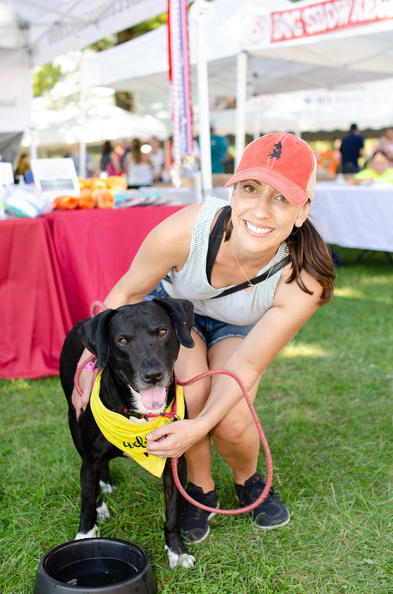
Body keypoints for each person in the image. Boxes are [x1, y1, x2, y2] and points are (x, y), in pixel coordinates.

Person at [73, 133, 335, 544]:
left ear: (303, 211)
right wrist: (88, 363)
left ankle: (248, 480)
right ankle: (199, 487)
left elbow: (246, 365)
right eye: (251, 189)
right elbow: (125, 295)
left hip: (238, 329)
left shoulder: (304, 279)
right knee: (192, 400)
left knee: (229, 415)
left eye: (282, 198)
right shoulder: (184, 230)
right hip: (173, 319)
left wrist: (202, 428)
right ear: (232, 191)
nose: (262, 211)